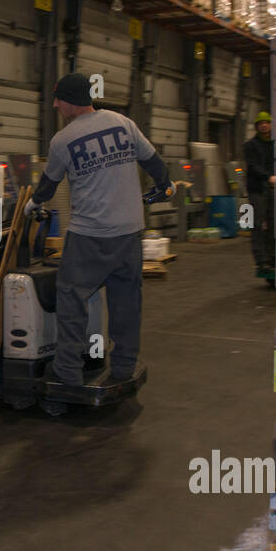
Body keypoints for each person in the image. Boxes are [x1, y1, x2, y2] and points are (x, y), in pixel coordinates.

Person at [24, 73, 173, 387]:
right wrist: (164, 185)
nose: (55, 105)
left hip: (89, 235)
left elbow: (48, 186)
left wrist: (31, 204)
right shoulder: (123, 123)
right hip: (130, 231)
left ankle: (67, 374)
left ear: (70, 101)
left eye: (58, 99)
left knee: (71, 297)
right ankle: (123, 369)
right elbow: (154, 162)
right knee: (126, 301)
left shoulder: (62, 140)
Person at [243, 111, 276, 286]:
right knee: (257, 223)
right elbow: (253, 165)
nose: (264, 125)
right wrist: (268, 177)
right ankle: (261, 259)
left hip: (273, 189)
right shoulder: (250, 145)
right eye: (260, 123)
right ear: (257, 126)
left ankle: (272, 258)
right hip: (257, 189)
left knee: (273, 223)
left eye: (267, 122)